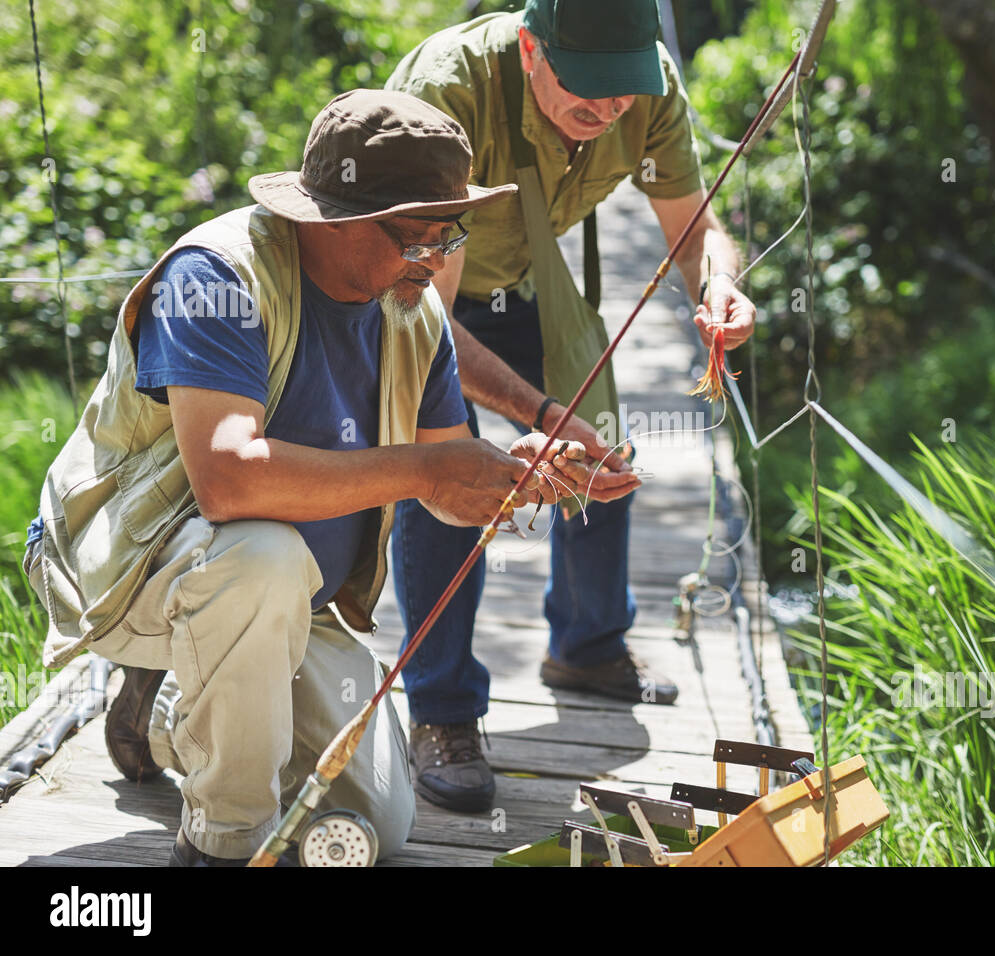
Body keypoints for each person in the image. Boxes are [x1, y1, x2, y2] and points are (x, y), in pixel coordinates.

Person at [22, 89, 632, 866]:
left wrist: (511, 479)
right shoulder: (216, 276)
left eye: (451, 235)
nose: (439, 260)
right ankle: (221, 843)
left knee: (378, 818)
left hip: (287, 606)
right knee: (261, 559)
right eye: (418, 237)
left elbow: (440, 488)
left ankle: (162, 710)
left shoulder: (417, 313)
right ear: (334, 219)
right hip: (126, 565)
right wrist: (430, 466)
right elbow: (229, 483)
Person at [383, 0, 757, 814]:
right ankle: (442, 711)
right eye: (586, 93)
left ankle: (587, 645)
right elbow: (429, 318)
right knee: (445, 469)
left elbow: (694, 231)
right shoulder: (446, 94)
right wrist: (539, 412)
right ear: (529, 48)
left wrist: (719, 283)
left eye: (620, 94)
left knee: (606, 445)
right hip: (416, 289)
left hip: (530, 279)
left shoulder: (647, 90)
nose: (608, 112)